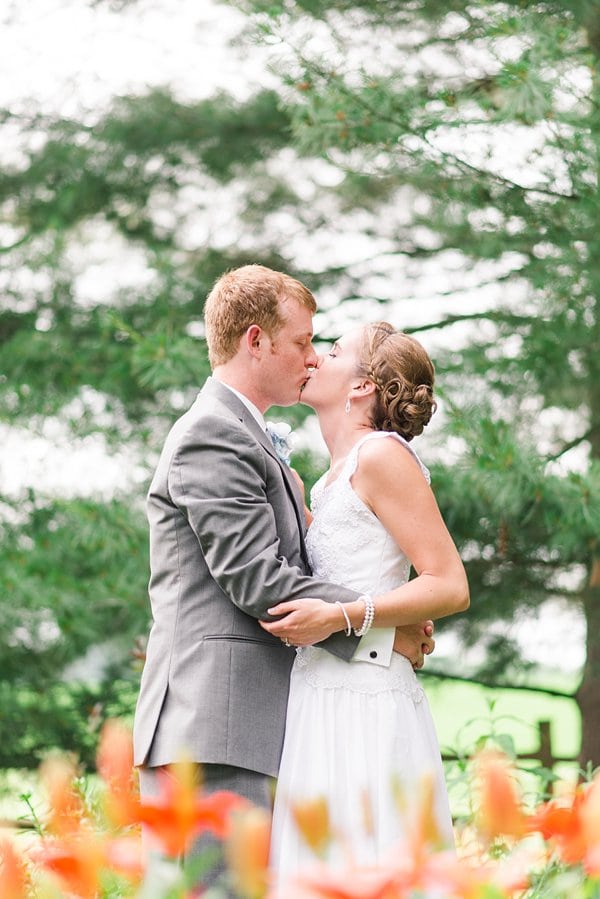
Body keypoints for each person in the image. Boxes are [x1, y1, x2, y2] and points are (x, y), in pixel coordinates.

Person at [132, 266, 434, 890]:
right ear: (255, 341)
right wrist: (383, 629)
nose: (310, 357)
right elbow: (259, 582)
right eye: (301, 342)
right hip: (213, 726)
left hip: (262, 725)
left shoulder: (257, 440)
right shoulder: (213, 433)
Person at [261, 322, 470, 883]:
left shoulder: (381, 456)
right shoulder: (330, 480)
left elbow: (449, 582)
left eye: (331, 352)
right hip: (318, 696)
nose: (314, 359)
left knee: (370, 864)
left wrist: (346, 616)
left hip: (366, 702)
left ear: (360, 387)